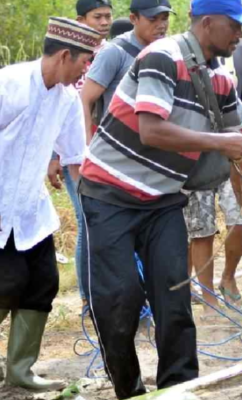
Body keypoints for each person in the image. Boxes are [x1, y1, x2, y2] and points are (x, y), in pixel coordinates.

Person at [77, 0, 242, 396]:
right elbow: (152, 131)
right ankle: (130, 390)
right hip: (111, 195)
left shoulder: (218, 77)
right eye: (236, 26)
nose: (241, 35)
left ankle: (178, 390)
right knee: (119, 302)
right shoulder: (162, 57)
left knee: (174, 302)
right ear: (208, 24)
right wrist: (220, 142)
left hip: (162, 201)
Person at [0, 18, 101, 391]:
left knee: (43, 282)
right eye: (84, 62)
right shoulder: (9, 84)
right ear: (63, 55)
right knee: (7, 281)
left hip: (29, 209)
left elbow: (77, 158)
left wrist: (101, 202)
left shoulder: (66, 98)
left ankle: (20, 374)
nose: (85, 70)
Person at [187, 36, 242, 315]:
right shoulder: (182, 55)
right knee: (201, 229)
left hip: (234, 148)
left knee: (241, 219)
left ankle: (228, 277)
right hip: (197, 155)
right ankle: (208, 298)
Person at [45, 0, 112, 308]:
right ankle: (88, 297)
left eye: (108, 16)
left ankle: (106, 291)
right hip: (77, 155)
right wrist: (55, 157)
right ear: (80, 20)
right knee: (87, 221)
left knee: (105, 221)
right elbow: (56, 110)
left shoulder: (111, 52)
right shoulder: (63, 56)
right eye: (97, 16)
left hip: (106, 155)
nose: (104, 22)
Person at [81, 0, 173, 144]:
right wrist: (85, 145)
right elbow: (85, 100)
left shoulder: (170, 51)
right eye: (152, 19)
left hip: (157, 147)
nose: (161, 25)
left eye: (165, 18)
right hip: (117, 146)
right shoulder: (114, 52)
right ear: (133, 19)